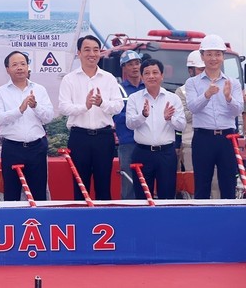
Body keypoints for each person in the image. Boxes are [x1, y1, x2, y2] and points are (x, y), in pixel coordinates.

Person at [58, 35, 124, 201]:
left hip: (104, 137)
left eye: (96, 50)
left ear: (100, 53)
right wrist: (84, 107)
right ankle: (81, 223)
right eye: (87, 50)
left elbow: (118, 106)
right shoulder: (69, 79)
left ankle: (104, 224)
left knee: (104, 185)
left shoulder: (108, 78)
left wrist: (102, 103)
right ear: (79, 53)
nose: (92, 54)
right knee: (80, 185)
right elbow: (64, 107)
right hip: (79, 137)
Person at [185, 34, 244, 199]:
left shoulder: (233, 83)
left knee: (228, 184)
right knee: (202, 184)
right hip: (203, 138)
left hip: (227, 138)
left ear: (223, 57)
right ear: (202, 56)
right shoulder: (192, 83)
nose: (213, 58)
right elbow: (193, 108)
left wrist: (228, 98)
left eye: (217, 54)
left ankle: (229, 222)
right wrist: (207, 94)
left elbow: (237, 110)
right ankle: (201, 221)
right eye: (209, 54)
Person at [0, 51, 54, 201]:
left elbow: (49, 117)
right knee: (12, 194)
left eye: (22, 64)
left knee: (38, 194)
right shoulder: (0, 92)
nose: (19, 67)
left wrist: (35, 106)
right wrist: (19, 110)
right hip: (12, 149)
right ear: (7, 69)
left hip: (37, 148)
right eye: (15, 65)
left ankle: (38, 223)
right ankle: (12, 224)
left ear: (28, 67)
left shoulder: (39, 89)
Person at [125, 58, 185, 200]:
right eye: (146, 73)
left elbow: (181, 125)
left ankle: (166, 222)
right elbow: (129, 124)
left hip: (166, 154)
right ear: (142, 77)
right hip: (142, 152)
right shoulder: (134, 98)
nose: (151, 76)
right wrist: (142, 115)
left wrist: (169, 119)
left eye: (155, 72)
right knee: (142, 197)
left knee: (167, 196)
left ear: (162, 75)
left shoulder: (173, 98)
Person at [112, 50, 144, 199]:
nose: (134, 67)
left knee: (148, 184)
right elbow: (117, 117)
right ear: (124, 67)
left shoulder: (148, 87)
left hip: (147, 142)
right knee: (129, 184)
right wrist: (140, 116)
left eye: (137, 63)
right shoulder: (118, 90)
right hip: (128, 143)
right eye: (130, 64)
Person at [174, 50, 205, 172]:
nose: (204, 73)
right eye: (200, 69)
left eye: (205, 69)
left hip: (212, 142)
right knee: (193, 181)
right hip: (189, 143)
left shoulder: (216, 87)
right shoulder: (181, 91)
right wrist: (204, 102)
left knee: (214, 184)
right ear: (190, 70)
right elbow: (184, 116)